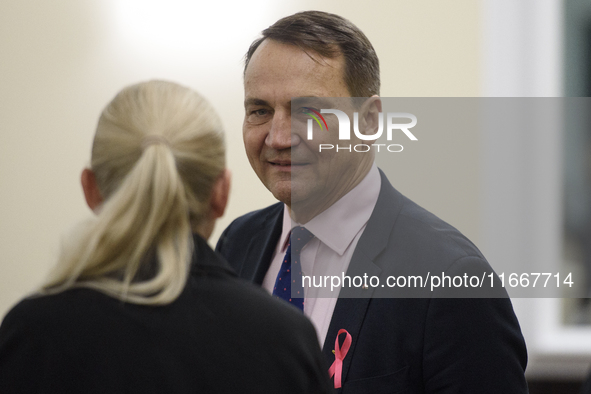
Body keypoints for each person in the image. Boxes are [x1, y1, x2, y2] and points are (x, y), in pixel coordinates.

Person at [216, 11, 529, 393]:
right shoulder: (238, 243)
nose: (279, 136)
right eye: (260, 111)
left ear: (369, 121)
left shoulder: (450, 280)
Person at [0, 80, 332, 394]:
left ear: (91, 189)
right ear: (221, 192)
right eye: (260, 110)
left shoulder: (30, 334)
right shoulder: (285, 340)